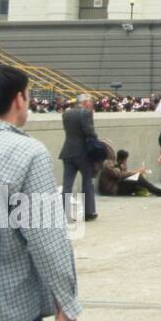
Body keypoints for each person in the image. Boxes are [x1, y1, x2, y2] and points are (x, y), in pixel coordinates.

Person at [0, 66, 83, 321]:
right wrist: (66, 306)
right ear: (18, 100)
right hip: (6, 314)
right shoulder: (27, 152)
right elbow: (47, 239)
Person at [58, 92, 100, 223]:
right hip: (83, 153)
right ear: (86, 102)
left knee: (67, 185)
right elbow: (90, 132)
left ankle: (65, 214)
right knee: (87, 181)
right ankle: (89, 212)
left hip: (67, 151)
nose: (91, 106)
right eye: (91, 103)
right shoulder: (86, 113)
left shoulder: (66, 113)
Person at [97, 148, 161, 198]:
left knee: (140, 182)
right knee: (138, 177)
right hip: (112, 190)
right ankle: (159, 192)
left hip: (115, 187)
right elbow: (119, 175)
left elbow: (122, 174)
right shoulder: (108, 164)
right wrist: (136, 172)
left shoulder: (115, 163)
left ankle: (156, 191)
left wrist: (124, 166)